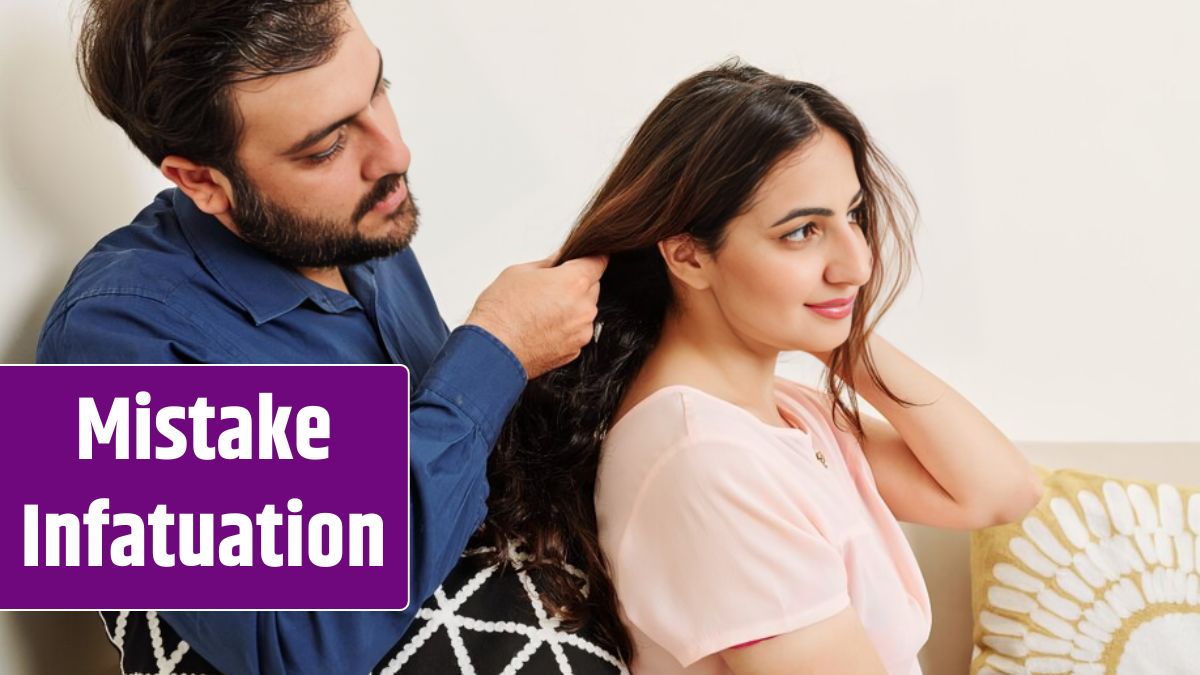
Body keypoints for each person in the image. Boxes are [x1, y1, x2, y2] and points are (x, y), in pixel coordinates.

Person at [37, 1, 605, 673]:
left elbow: (449, 470)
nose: (394, 154)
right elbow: (296, 641)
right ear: (200, 182)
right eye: (327, 146)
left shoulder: (354, 225)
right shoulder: (109, 343)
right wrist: (494, 350)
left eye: (378, 89)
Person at [482, 62, 1045, 674]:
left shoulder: (783, 415)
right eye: (802, 231)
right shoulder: (704, 457)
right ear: (688, 256)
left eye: (852, 215)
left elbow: (1001, 492)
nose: (855, 264)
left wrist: (842, 342)